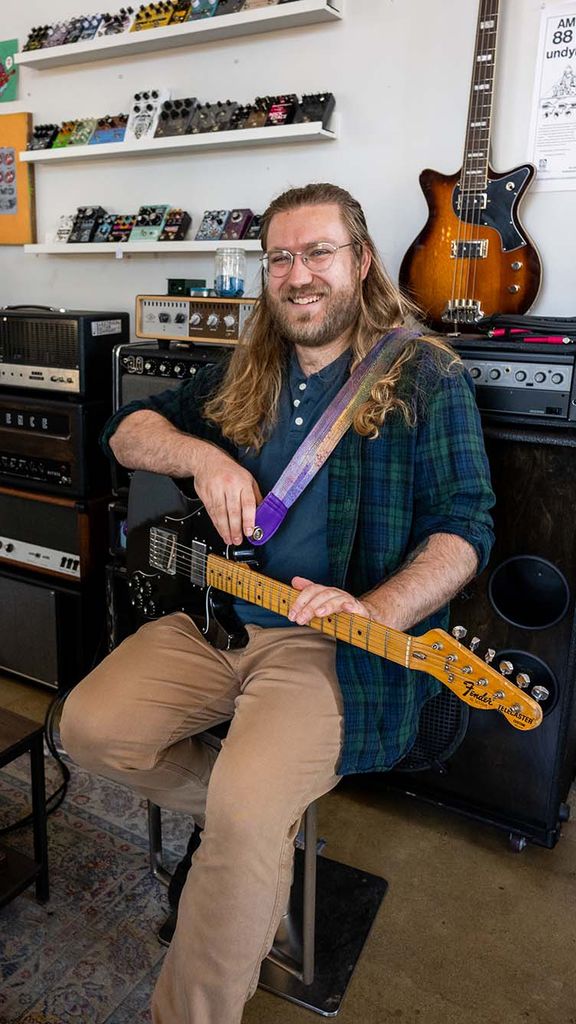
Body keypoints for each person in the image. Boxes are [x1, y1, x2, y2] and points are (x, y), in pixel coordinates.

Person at [60, 182, 494, 1024]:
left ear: (361, 262)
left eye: (319, 253)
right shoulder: (248, 365)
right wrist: (202, 459)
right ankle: (253, 831)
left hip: (330, 645)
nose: (299, 276)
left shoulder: (427, 375)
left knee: (244, 815)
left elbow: (465, 533)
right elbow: (126, 431)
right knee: (87, 728)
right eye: (280, 258)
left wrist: (377, 609)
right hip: (222, 620)